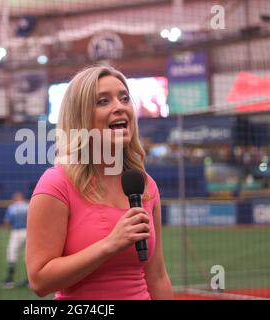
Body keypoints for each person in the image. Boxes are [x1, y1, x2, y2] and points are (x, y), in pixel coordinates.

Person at [26, 65, 173, 300]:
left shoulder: (145, 186)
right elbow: (39, 280)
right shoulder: (56, 184)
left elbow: (157, 276)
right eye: (103, 101)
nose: (120, 107)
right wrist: (109, 244)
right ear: (80, 117)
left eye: (124, 98)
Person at [2, 192, 29, 289]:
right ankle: (30, 280)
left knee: (12, 254)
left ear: (15, 199)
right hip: (27, 232)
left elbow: (7, 222)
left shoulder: (12, 207)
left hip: (16, 232)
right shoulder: (28, 206)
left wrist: (9, 228)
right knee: (28, 256)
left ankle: (9, 280)